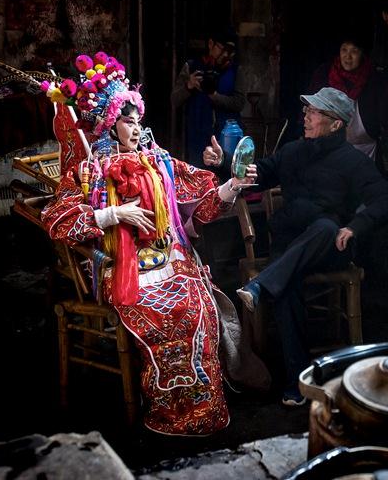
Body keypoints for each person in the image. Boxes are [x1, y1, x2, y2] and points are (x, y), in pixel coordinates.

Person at [42, 51, 262, 436]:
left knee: (196, 304)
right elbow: (56, 221)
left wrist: (232, 183)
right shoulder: (89, 170)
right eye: (127, 121)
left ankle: (202, 409)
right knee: (158, 313)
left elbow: (205, 201)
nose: (135, 126)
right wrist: (114, 215)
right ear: (110, 124)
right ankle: (166, 409)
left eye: (137, 119)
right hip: (121, 266)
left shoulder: (158, 160)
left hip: (171, 259)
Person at [204, 87, 388, 405]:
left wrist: (355, 226)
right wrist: (224, 162)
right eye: (307, 111)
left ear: (336, 124)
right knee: (287, 285)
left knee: (326, 226)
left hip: (330, 248)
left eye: (314, 113)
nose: (306, 117)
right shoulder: (294, 150)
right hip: (290, 246)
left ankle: (261, 286)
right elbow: (260, 174)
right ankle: (298, 382)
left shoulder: (353, 161)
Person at [306, 30, 388, 177]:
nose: (348, 57)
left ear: (362, 54)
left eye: (354, 51)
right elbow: (309, 113)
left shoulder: (375, 80)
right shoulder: (323, 75)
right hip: (329, 151)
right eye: (344, 50)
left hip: (366, 153)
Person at [170, 26, 245, 167]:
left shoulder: (235, 70)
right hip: (197, 138)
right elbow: (174, 99)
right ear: (211, 44)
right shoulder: (192, 66)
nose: (225, 55)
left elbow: (239, 103)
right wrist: (189, 86)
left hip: (227, 138)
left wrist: (214, 96)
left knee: (227, 178)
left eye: (230, 52)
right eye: (222, 49)